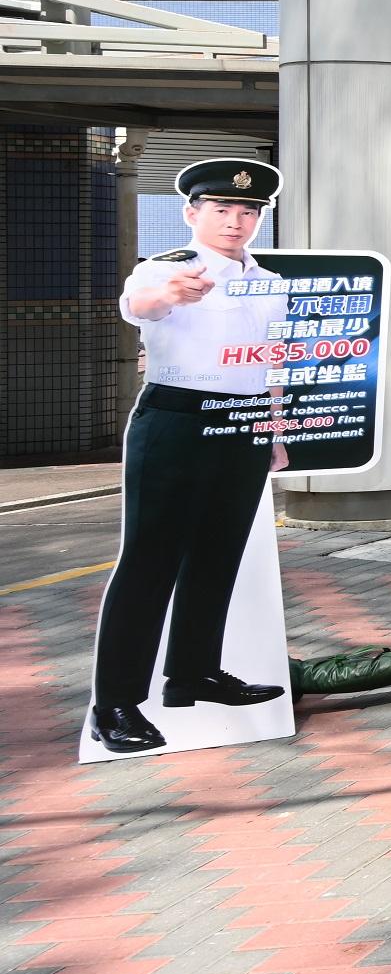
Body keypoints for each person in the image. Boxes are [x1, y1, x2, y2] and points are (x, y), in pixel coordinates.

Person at [91, 158, 296, 752]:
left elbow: (272, 362)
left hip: (246, 423)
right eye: (223, 209)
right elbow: (140, 306)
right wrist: (168, 296)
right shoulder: (162, 269)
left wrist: (275, 432)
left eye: (248, 211)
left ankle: (193, 674)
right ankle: (116, 704)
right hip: (175, 421)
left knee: (217, 555)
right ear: (192, 214)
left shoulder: (270, 282)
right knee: (150, 560)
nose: (236, 221)